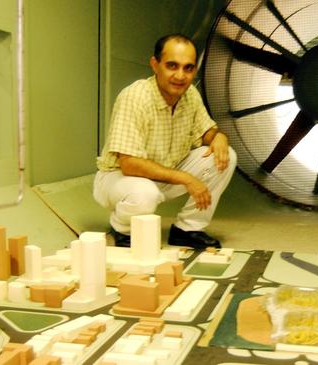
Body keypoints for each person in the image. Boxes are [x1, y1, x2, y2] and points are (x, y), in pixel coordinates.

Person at [93, 33, 236, 249]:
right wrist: (187, 179)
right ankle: (122, 231)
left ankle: (188, 229)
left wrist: (220, 137)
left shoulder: (190, 95)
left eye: (188, 68)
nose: (180, 76)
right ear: (155, 64)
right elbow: (130, 164)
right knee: (145, 194)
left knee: (225, 156)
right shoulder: (134, 97)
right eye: (172, 66)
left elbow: (207, 131)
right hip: (119, 178)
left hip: (165, 173)